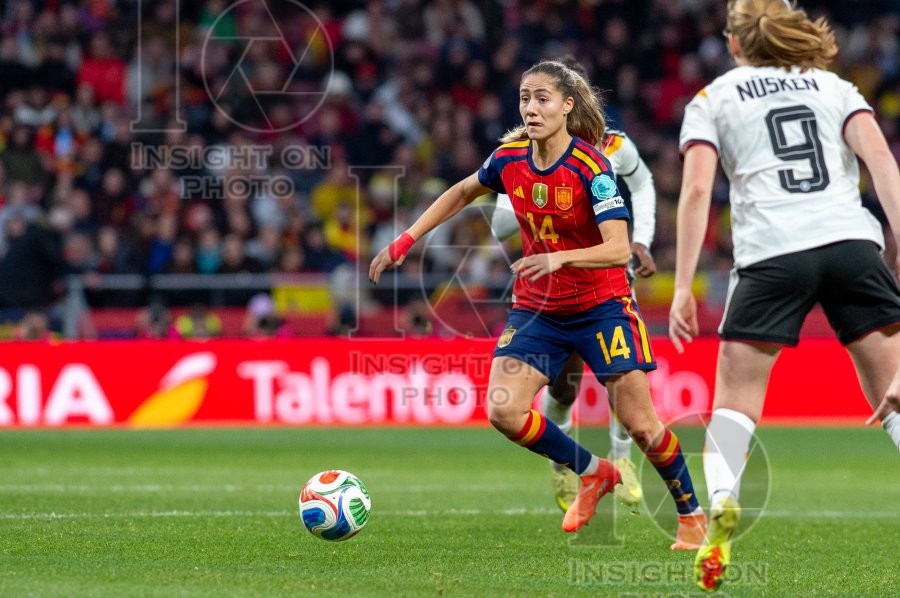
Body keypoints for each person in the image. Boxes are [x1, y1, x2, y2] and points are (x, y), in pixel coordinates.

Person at [371, 59, 706, 547]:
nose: (530, 107)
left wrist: (558, 259)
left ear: (568, 107)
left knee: (640, 425)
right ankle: (593, 472)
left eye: (542, 98)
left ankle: (691, 515)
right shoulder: (509, 158)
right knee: (503, 411)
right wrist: (407, 238)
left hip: (603, 305)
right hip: (539, 308)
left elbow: (617, 247)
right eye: (525, 98)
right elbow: (464, 191)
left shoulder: (593, 166)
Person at [669, 0, 900, 591]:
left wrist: (683, 285)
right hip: (851, 245)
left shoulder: (714, 97)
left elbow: (697, 192)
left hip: (773, 254)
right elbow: (882, 164)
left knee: (736, 396)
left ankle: (721, 497)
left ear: (736, 42)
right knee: (892, 394)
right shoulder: (834, 86)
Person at [490, 126, 657, 513]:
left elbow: (644, 183)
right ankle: (563, 465)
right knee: (565, 387)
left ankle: (622, 458)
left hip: (606, 282)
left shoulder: (612, 144)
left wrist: (641, 240)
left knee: (625, 377)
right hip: (551, 290)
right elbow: (500, 226)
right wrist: (533, 186)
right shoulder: (524, 152)